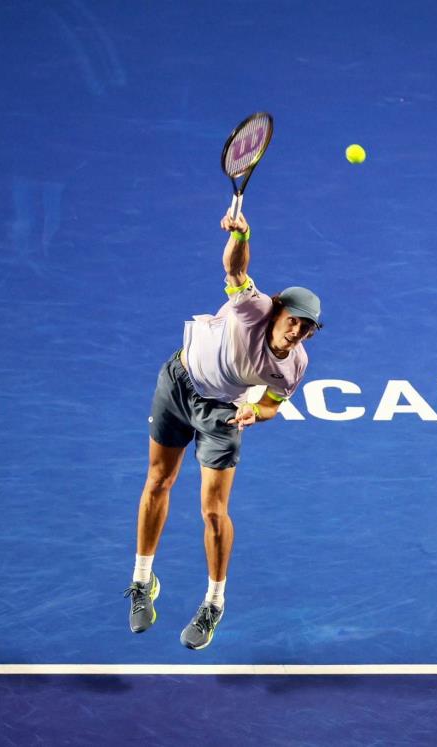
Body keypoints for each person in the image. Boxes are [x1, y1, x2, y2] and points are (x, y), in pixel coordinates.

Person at [124, 209, 321, 649]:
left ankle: (214, 602)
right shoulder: (252, 307)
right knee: (158, 481)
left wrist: (257, 414)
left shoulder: (295, 367)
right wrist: (242, 232)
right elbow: (236, 267)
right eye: (294, 321)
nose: (298, 332)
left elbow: (271, 404)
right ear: (278, 311)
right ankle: (142, 581)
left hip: (224, 414)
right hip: (177, 385)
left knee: (213, 511)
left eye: (307, 329)